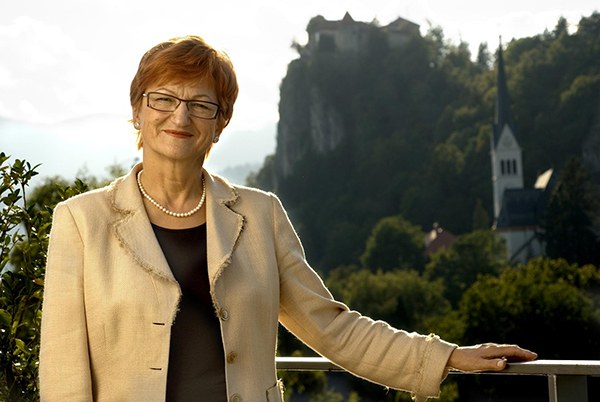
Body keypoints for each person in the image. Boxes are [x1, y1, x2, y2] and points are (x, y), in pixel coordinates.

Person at [39, 35, 536, 402]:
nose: (180, 117)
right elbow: (63, 378)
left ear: (221, 123)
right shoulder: (80, 222)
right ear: (137, 110)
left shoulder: (260, 215)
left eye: (200, 104)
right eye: (164, 99)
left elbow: (332, 328)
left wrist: (446, 355)